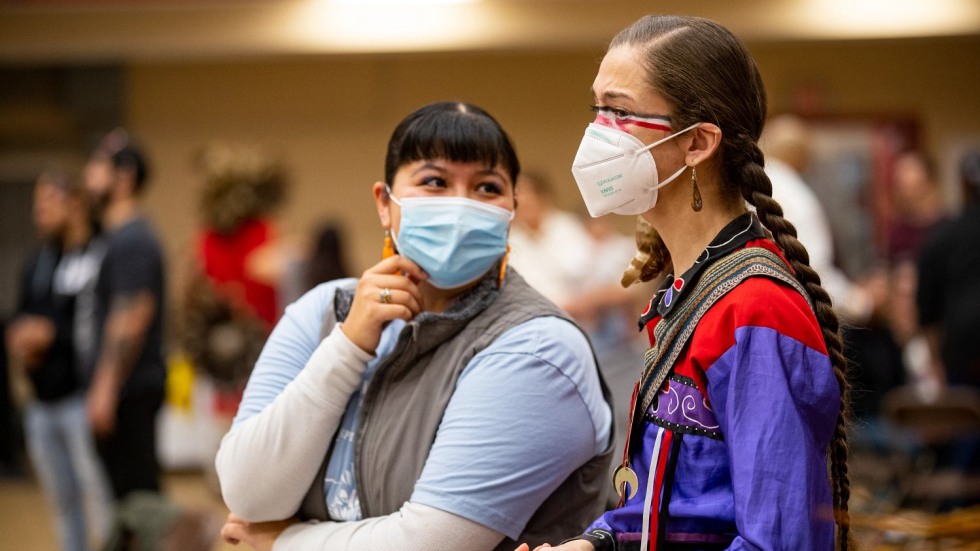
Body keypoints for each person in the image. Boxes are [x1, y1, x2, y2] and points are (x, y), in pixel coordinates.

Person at [215, 101, 614, 551]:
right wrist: (347, 346)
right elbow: (249, 493)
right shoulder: (324, 310)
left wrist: (282, 542)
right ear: (385, 203)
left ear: (511, 212)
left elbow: (430, 541)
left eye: (486, 187)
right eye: (435, 182)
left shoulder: (537, 348)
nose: (461, 204)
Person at [520, 15, 852, 550]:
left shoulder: (756, 310)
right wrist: (592, 545)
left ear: (697, 142)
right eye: (597, 109)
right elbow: (671, 502)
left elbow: (779, 541)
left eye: (621, 113)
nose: (598, 134)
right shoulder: (688, 290)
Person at [6, 167, 113, 551]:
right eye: (37, 204)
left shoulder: (102, 256)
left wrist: (53, 335)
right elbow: (21, 314)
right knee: (61, 500)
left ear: (77, 203)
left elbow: (102, 328)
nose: (40, 212)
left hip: (80, 398)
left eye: (48, 202)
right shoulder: (37, 263)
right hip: (41, 403)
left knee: (96, 493)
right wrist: (22, 338)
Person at [83, 129, 167, 501]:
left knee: (138, 503)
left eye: (97, 165)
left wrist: (105, 388)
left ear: (124, 176)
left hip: (129, 391)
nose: (88, 174)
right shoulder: (111, 238)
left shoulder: (132, 239)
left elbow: (132, 315)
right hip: (123, 389)